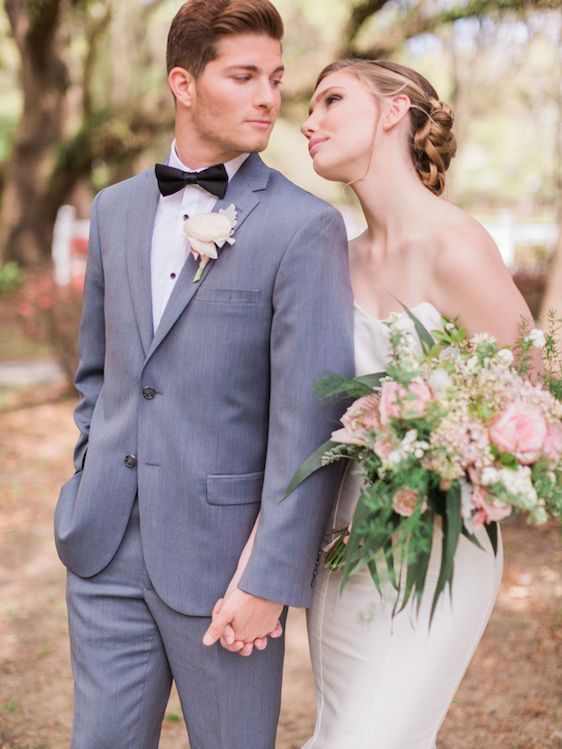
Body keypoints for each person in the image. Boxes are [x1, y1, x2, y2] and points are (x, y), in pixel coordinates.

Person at [53, 1, 354, 746]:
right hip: (104, 549)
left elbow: (307, 425)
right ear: (183, 84)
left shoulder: (304, 227)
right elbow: (100, 374)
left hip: (226, 569)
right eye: (243, 75)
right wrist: (87, 475)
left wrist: (268, 581)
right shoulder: (116, 209)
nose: (267, 97)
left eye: (275, 78)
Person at [296, 60, 536, 748]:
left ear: (394, 110)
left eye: (331, 100)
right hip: (341, 551)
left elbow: (537, 392)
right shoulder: (334, 258)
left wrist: (452, 443)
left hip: (439, 549)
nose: (309, 122)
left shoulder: (456, 246)